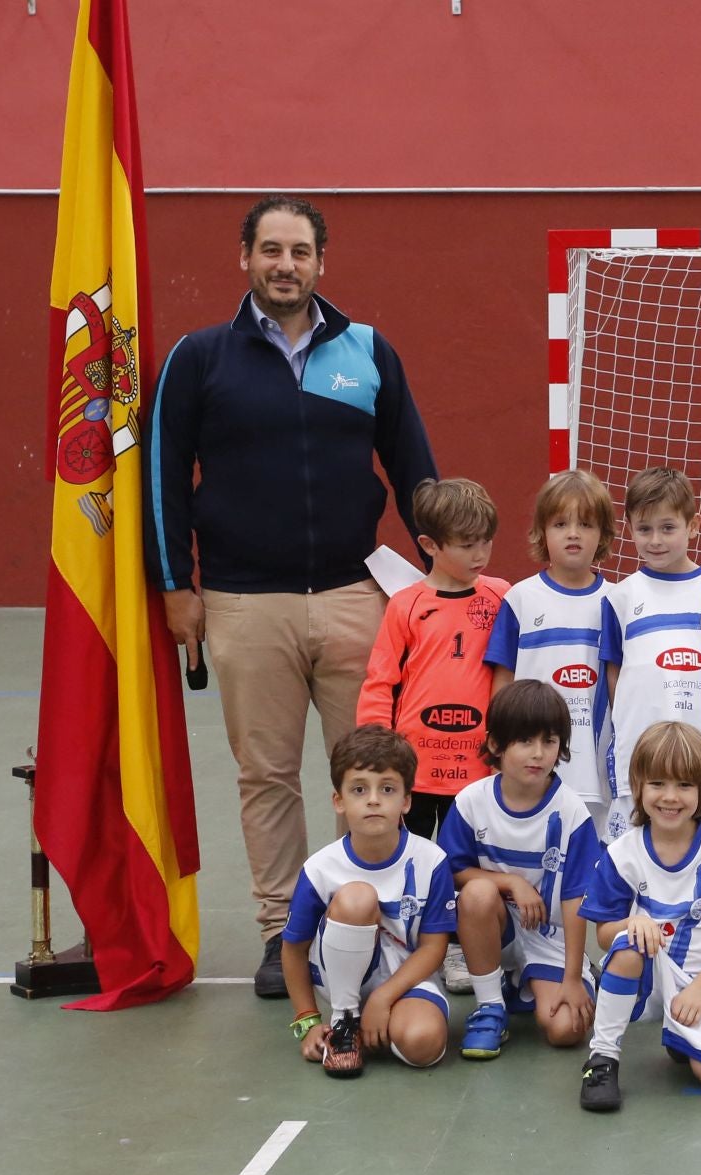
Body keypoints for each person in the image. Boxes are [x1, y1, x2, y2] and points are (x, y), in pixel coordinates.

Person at [145, 194, 439, 998]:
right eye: (270, 250)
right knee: (266, 774)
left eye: (300, 252)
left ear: (320, 263)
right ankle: (287, 931)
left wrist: (443, 577)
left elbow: (413, 467)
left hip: (356, 600)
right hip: (244, 604)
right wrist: (177, 587)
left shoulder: (369, 352)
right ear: (244, 257)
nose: (285, 266)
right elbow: (163, 478)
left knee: (377, 772)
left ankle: (386, 920)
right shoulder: (199, 358)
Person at [575, 721, 701, 1111]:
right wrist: (632, 923)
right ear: (639, 787)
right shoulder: (622, 853)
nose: (670, 797)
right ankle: (602, 1058)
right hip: (646, 975)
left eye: (684, 785)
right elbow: (606, 934)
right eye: (657, 783)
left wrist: (700, 989)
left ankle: (681, 1038)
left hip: (699, 983)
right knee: (627, 948)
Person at [278, 725, 457, 1078]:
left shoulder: (431, 861)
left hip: (405, 979)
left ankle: (371, 1024)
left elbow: (434, 949)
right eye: (359, 789)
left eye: (387, 789)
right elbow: (293, 949)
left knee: (424, 1043)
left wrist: (383, 999)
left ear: (406, 800)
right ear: (339, 801)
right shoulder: (320, 869)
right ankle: (344, 1022)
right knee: (358, 897)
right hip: (342, 981)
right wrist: (307, 1021)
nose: (373, 800)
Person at [438, 680, 599, 1060]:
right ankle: (491, 1006)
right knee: (476, 894)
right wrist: (510, 881)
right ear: (495, 744)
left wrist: (573, 979)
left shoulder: (572, 813)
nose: (538, 754)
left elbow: (577, 899)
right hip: (498, 927)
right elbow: (453, 872)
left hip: (549, 936)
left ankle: (526, 983)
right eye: (525, 741)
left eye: (550, 741)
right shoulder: (471, 802)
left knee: (566, 1031)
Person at [356, 477, 509, 840]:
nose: (481, 554)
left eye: (487, 541)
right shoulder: (405, 605)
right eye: (468, 545)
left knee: (469, 865)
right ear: (430, 545)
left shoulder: (503, 596)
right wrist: (379, 750)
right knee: (412, 860)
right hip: (415, 768)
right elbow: (380, 681)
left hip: (477, 766)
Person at [597, 468, 701, 842]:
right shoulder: (620, 598)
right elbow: (614, 677)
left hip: (698, 760)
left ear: (694, 525)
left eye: (668, 528)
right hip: (635, 759)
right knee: (627, 861)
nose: (655, 540)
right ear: (628, 528)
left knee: (694, 859)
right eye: (644, 529)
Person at [485, 469, 617, 821]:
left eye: (586, 524)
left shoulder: (617, 602)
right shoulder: (521, 599)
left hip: (594, 771)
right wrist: (500, 743)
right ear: (542, 532)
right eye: (560, 524)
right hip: (529, 767)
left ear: (603, 534)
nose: (573, 534)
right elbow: (503, 679)